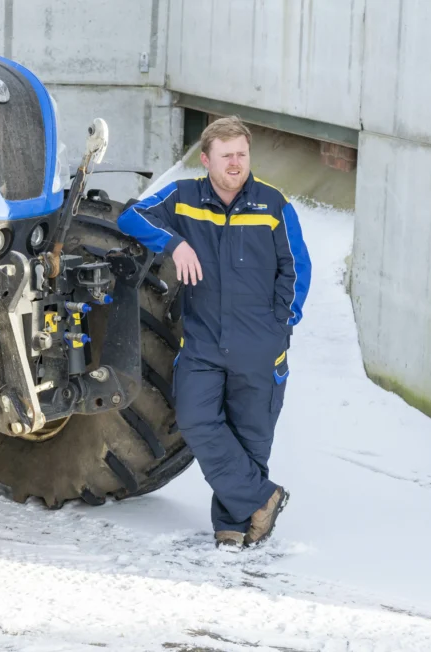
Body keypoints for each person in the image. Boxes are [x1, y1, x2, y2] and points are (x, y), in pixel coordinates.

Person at [117, 116, 311, 550]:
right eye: (227, 156)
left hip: (259, 346)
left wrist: (281, 326)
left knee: (251, 438)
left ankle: (232, 526)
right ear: (206, 160)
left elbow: (297, 268)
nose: (236, 163)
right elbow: (132, 216)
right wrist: (175, 244)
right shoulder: (184, 198)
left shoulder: (273, 205)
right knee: (195, 420)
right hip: (203, 342)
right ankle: (264, 498)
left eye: (242, 154)